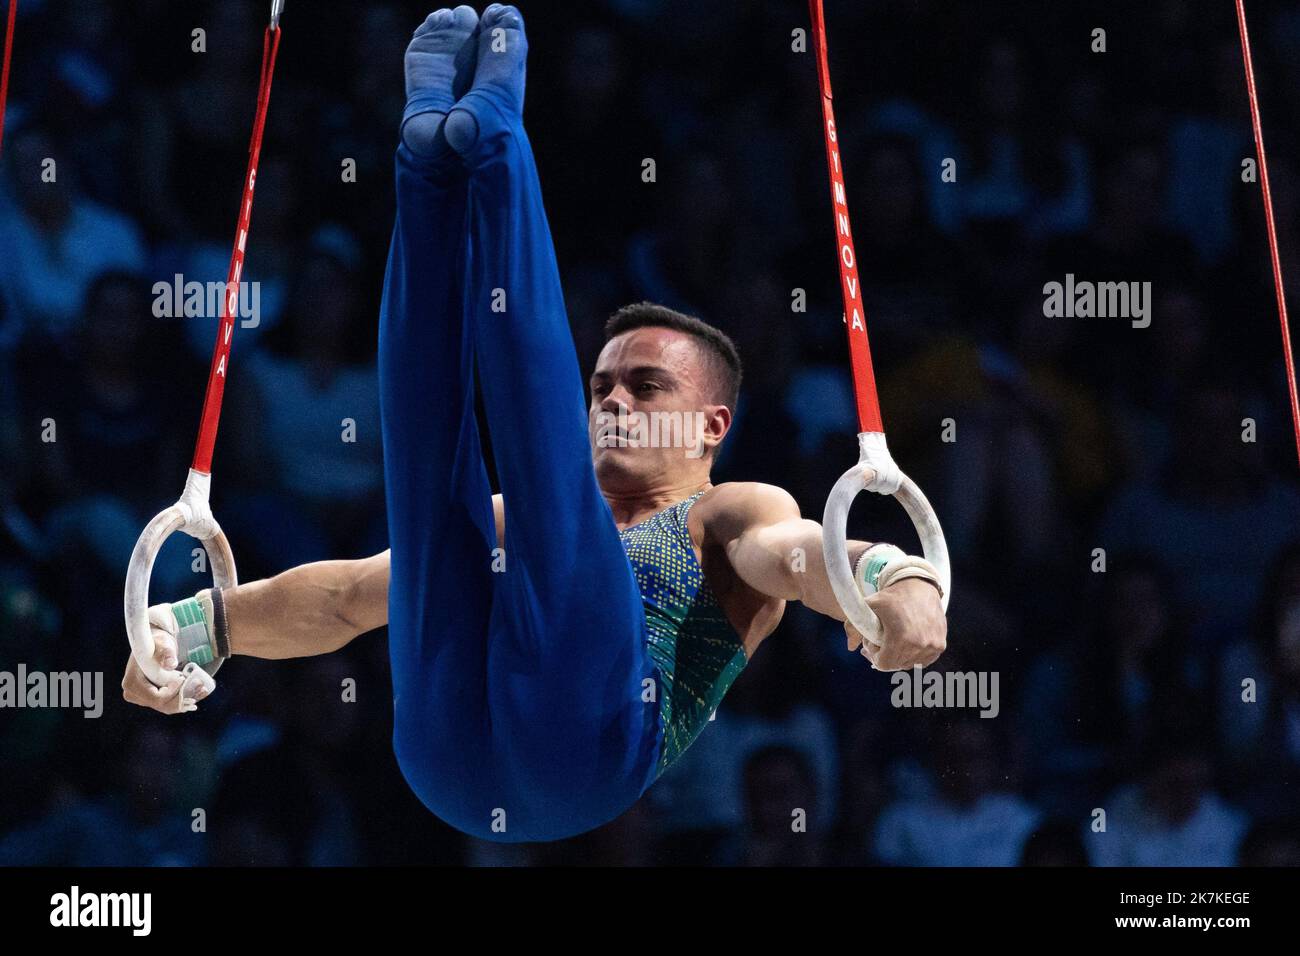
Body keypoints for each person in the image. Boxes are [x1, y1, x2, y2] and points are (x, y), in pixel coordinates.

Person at [121, 5, 947, 843]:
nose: (613, 402)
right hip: (443, 755)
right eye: (601, 385)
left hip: (588, 756)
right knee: (439, 503)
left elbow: (804, 559)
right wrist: (192, 628)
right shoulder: (519, 521)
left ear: (711, 424)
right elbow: (343, 599)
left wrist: (892, 576)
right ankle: (428, 169)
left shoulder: (733, 515)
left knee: (545, 500)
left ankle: (498, 146)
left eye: (646, 386)